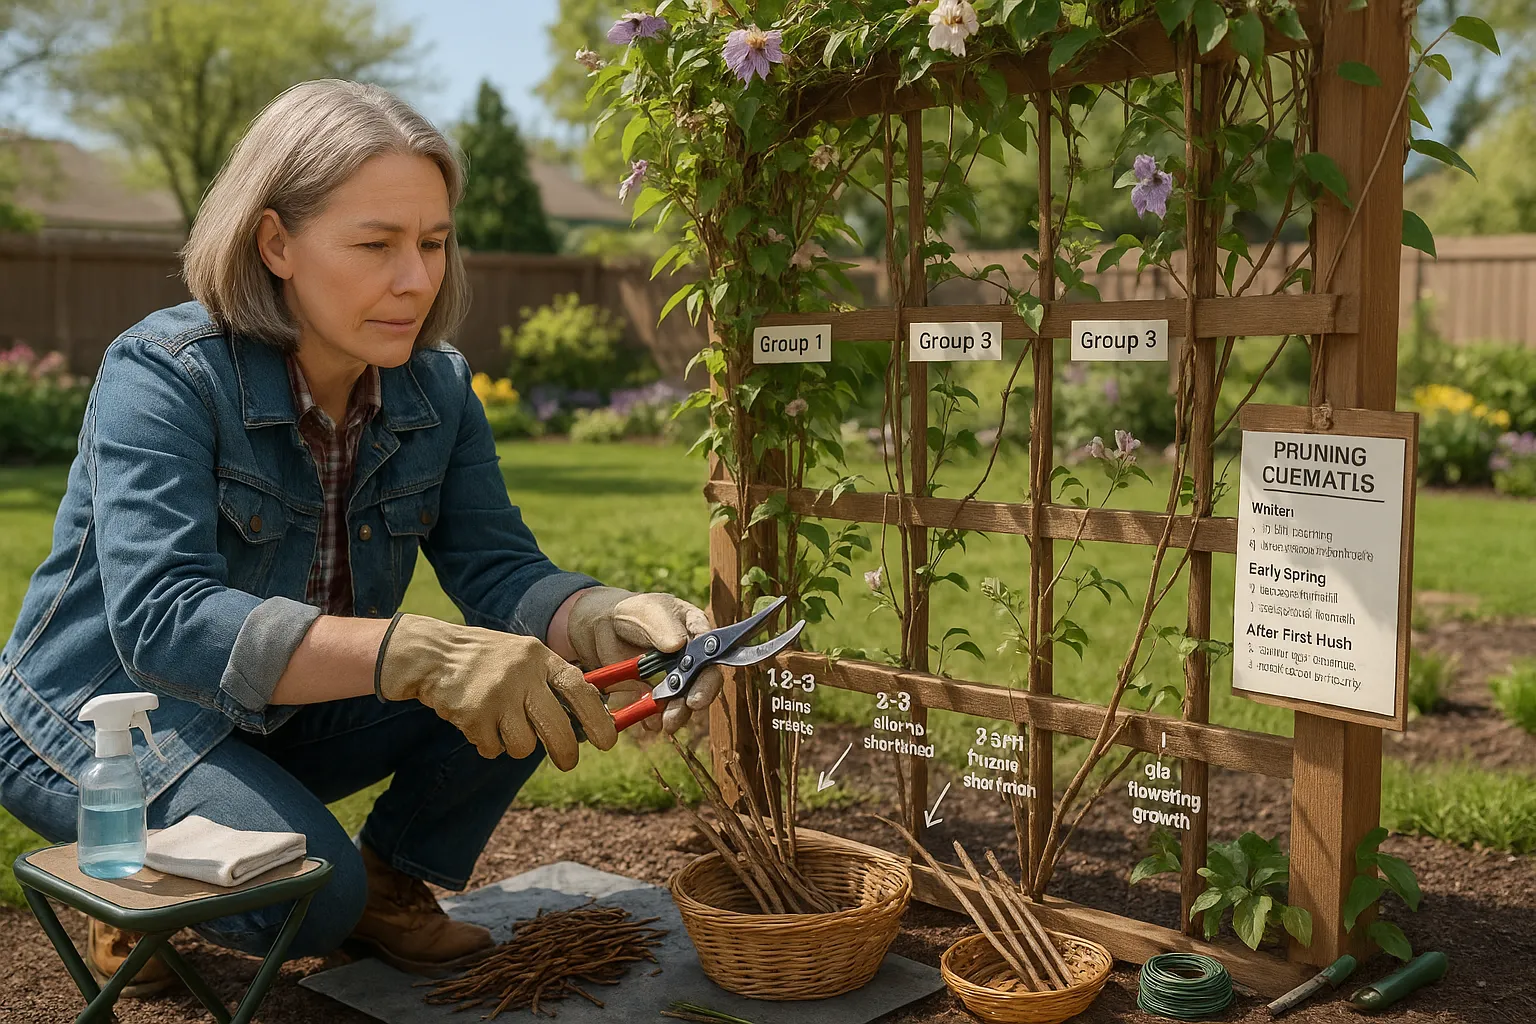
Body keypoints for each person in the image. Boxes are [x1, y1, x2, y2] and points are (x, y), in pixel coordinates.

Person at [0, 79, 722, 996]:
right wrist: (414, 651)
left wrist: (598, 617)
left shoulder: (437, 390)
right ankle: (137, 879)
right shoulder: (166, 374)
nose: (416, 279)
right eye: (377, 244)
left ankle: (390, 879)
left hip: (273, 710)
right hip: (98, 721)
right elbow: (164, 620)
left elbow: (499, 569)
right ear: (277, 243)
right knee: (314, 903)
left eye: (432, 242)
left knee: (541, 672)